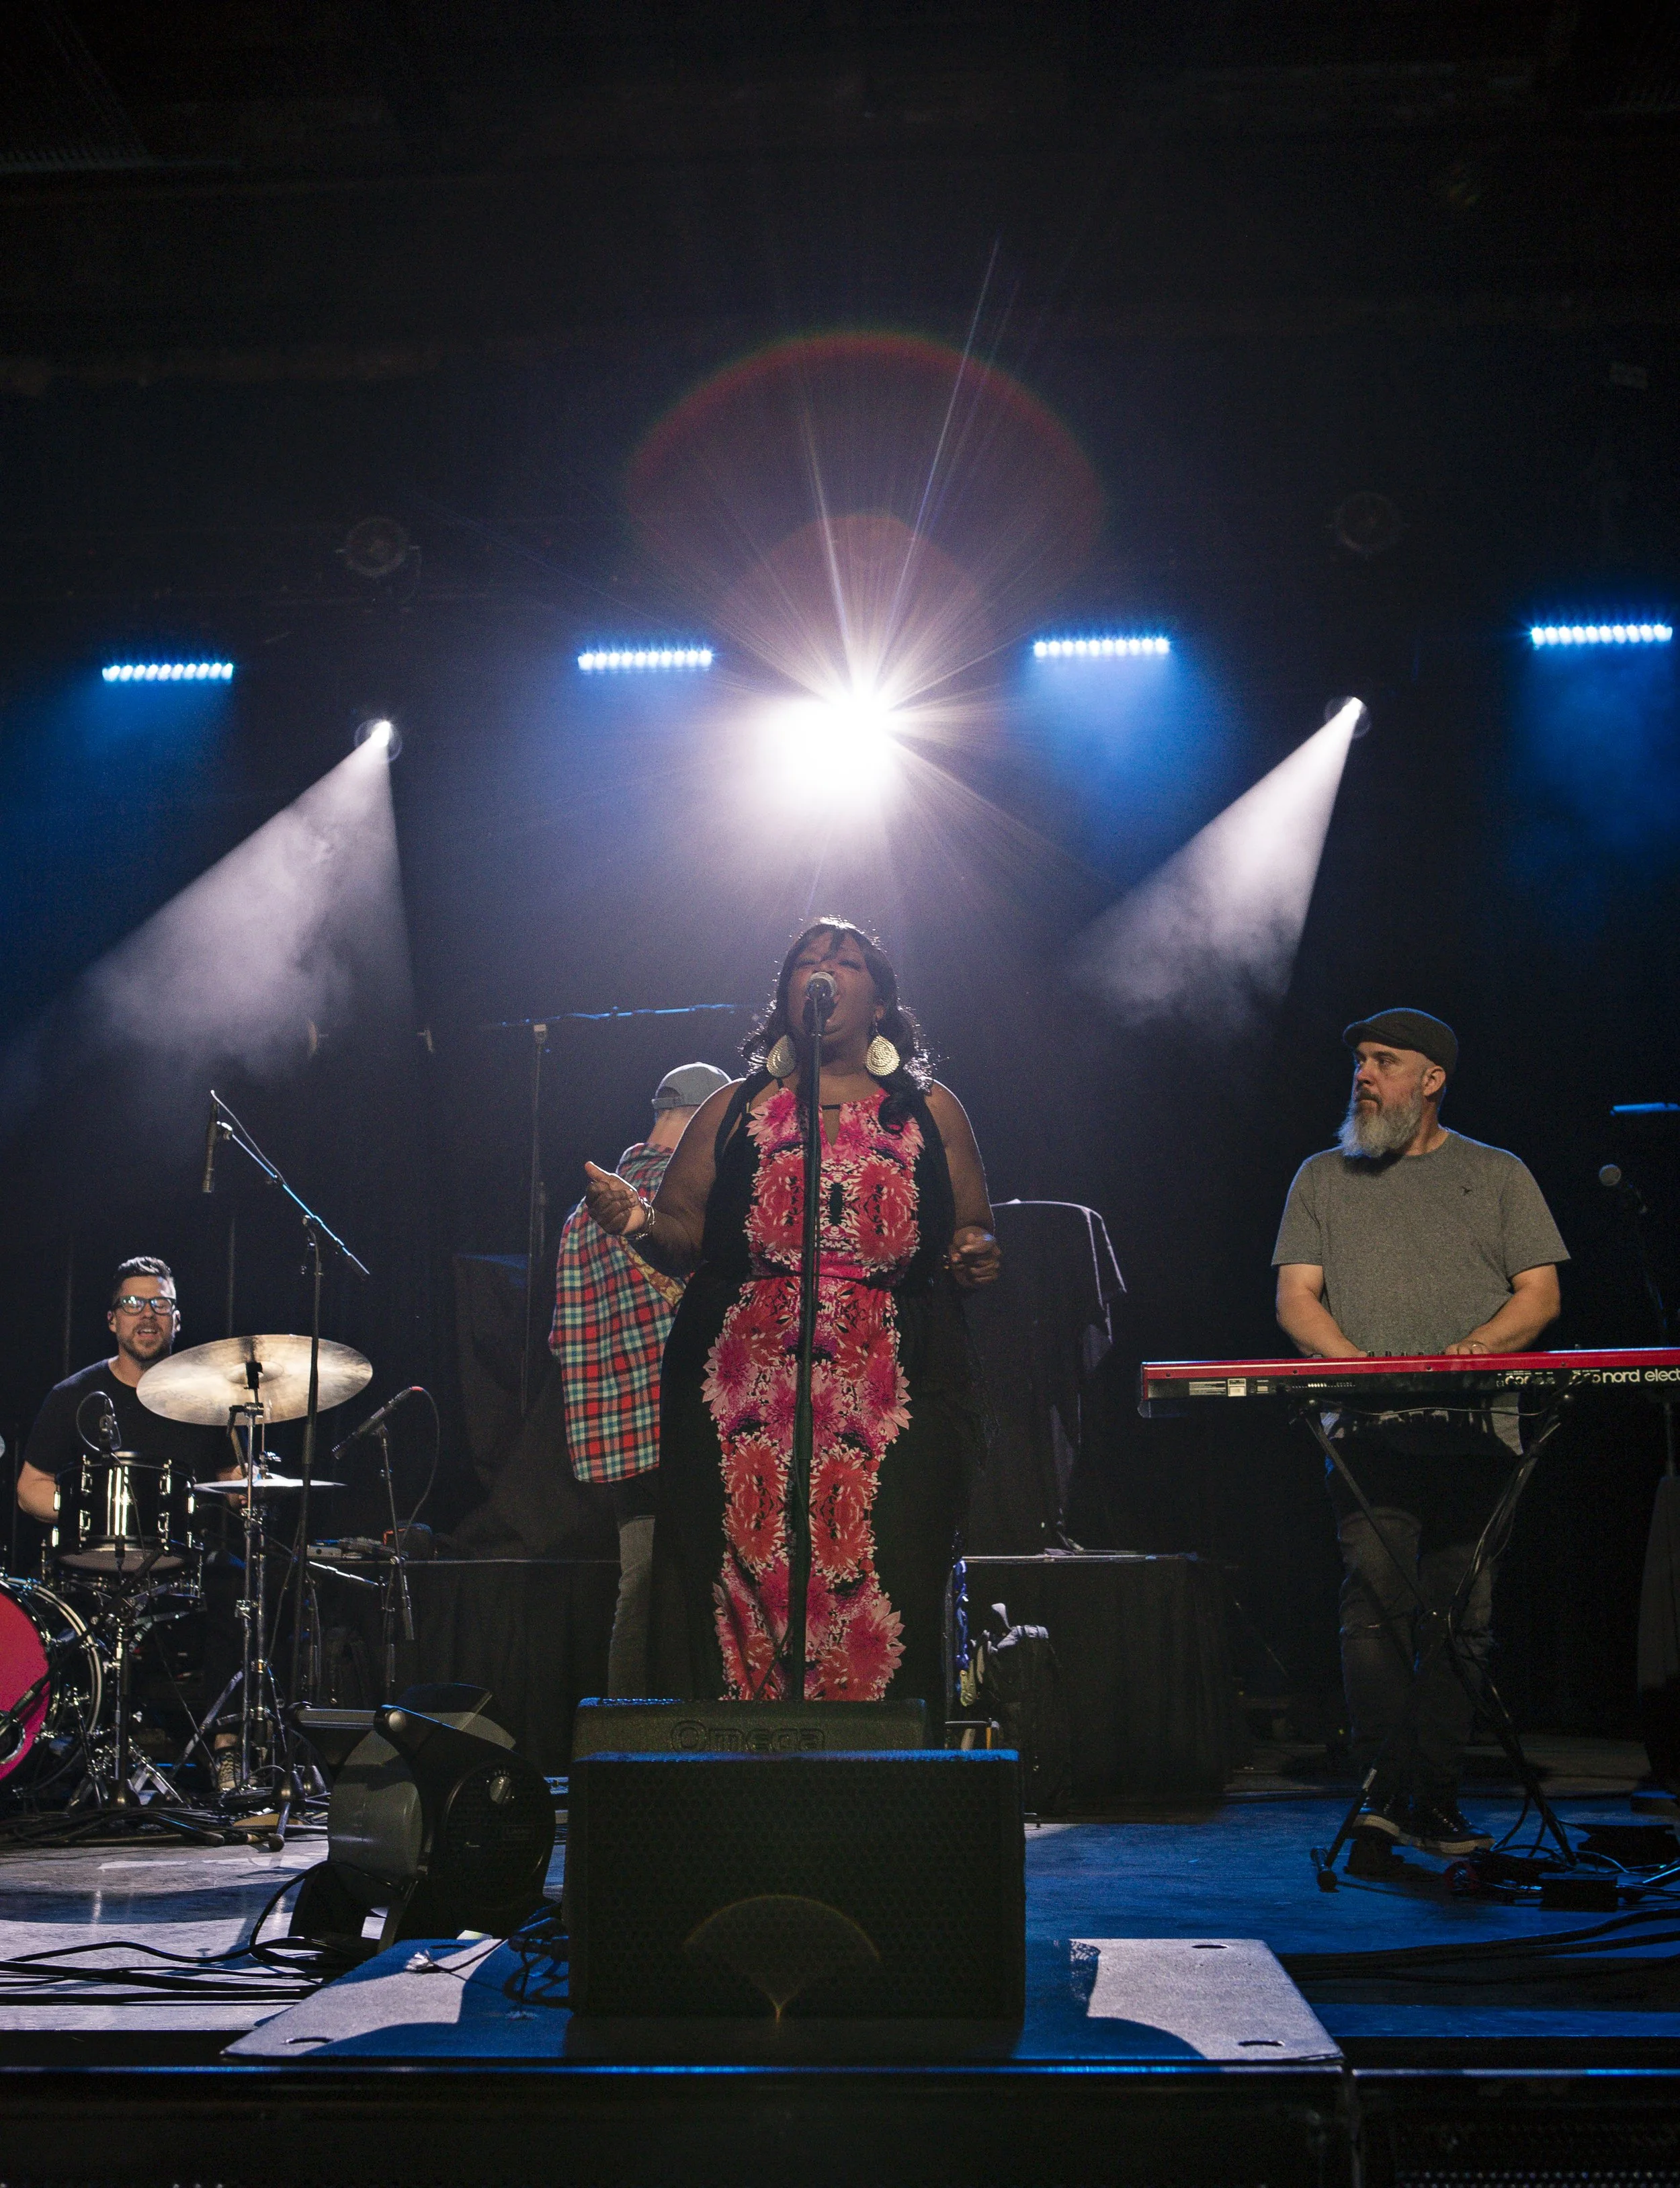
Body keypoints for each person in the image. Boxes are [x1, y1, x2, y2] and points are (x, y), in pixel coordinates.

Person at [582, 919, 1001, 1721]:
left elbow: (973, 1226)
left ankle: (876, 1767)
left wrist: (977, 1250)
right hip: (745, 1387)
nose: (824, 970)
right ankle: (745, 1761)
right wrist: (634, 1221)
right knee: (743, 1567)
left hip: (890, 1386)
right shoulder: (733, 1110)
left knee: (886, 1565)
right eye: (808, 962)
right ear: (786, 999)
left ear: (878, 1002)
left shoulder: (929, 1110)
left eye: (843, 962)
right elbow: (681, 1234)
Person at [1273, 1008, 1568, 1858]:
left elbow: (1538, 1295)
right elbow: (1297, 1298)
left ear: (1431, 1080)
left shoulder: (1498, 1173)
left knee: (1461, 1616)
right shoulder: (1321, 1177)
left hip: (1478, 1432)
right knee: (1375, 1604)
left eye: (1383, 1060)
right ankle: (1382, 1794)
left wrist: (1469, 1354)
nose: (1363, 1073)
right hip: (1367, 1435)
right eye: (1359, 1060)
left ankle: (1431, 1799)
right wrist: (1362, 1368)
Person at [16, 1256, 245, 1786]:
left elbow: (234, 1479)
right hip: (93, 1562)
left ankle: (227, 1747)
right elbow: (31, 1488)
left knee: (240, 1583)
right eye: (133, 1304)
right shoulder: (74, 1395)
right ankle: (64, 1751)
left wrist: (247, 1488)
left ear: (177, 1319)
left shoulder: (206, 1398)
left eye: (160, 1304)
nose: (147, 1315)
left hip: (183, 1562)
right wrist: (85, 1511)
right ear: (112, 1320)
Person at [551, 1060, 734, 1697]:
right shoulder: (690, 1198)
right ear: (698, 1120)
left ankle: (621, 1752)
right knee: (721, 1597)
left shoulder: (584, 1216)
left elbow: (563, 1340)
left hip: (622, 1444)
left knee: (641, 1592)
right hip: (697, 1427)